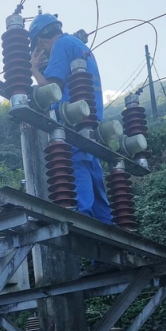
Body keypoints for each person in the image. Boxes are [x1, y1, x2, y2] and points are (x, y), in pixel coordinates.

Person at [28, 13, 113, 225]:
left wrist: (33, 68)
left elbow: (52, 87)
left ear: (40, 41)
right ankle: (105, 223)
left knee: (76, 163)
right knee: (92, 167)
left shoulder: (61, 45)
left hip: (73, 117)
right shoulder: (78, 45)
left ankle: (83, 218)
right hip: (92, 117)